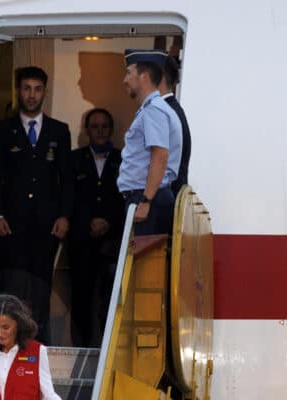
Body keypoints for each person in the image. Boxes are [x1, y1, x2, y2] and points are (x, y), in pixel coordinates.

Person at [0, 66, 75, 344]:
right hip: (12, 224)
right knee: (13, 285)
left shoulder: (59, 131)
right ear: (18, 91)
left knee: (41, 286)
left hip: (47, 224)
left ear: (44, 93)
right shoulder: (2, 131)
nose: (32, 95)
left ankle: (40, 343)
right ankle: (11, 342)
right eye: (27, 89)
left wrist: (65, 216)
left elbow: (68, 180)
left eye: (37, 89)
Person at [70, 108, 124, 346]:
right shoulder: (74, 159)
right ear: (87, 130)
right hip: (81, 241)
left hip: (113, 242)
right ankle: (81, 349)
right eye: (95, 126)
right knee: (81, 299)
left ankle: (108, 349)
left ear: (111, 130)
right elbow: (69, 198)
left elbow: (126, 198)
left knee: (110, 300)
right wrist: (88, 222)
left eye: (105, 126)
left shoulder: (124, 159)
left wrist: (108, 222)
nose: (100, 131)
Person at [116, 49, 183, 235]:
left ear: (143, 76)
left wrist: (146, 201)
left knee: (144, 262)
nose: (125, 79)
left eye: (129, 72)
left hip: (147, 199)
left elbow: (160, 154)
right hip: (147, 197)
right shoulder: (154, 108)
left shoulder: (154, 110)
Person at [159, 56, 191, 196]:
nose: (127, 80)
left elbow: (158, 161)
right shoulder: (169, 109)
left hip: (157, 202)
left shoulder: (162, 113)